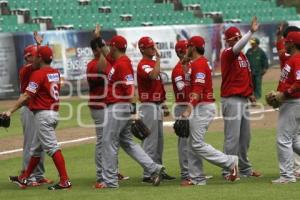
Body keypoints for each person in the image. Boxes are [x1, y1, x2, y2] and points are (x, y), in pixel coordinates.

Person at [94, 35, 166, 189]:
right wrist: (98, 38)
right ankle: (154, 168)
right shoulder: (117, 61)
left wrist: (134, 113)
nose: (108, 49)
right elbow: (105, 51)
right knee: (127, 143)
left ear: (114, 47)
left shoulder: (123, 63)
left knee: (108, 142)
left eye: (110, 46)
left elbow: (131, 89)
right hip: (121, 107)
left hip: (118, 107)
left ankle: (110, 181)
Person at [4, 46, 72, 190]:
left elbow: (27, 95)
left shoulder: (38, 74)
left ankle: (65, 181)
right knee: (35, 149)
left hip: (43, 115)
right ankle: (24, 177)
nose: (34, 58)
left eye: (36, 56)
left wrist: (10, 111)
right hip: (53, 113)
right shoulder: (55, 72)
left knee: (52, 148)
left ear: (40, 58)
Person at [178, 36, 239, 186]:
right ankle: (197, 178)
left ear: (192, 48)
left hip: (203, 106)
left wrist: (188, 109)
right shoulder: (198, 63)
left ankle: (230, 162)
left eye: (188, 47)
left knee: (197, 143)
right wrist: (186, 68)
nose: (186, 50)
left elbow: (198, 90)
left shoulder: (199, 64)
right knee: (193, 143)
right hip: (202, 105)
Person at [220, 16, 261, 179]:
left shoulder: (242, 56)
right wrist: (250, 32)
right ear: (229, 41)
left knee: (245, 137)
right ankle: (227, 170)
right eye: (235, 38)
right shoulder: (228, 53)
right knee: (232, 138)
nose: (238, 39)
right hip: (231, 99)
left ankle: (244, 169)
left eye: (239, 37)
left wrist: (250, 93)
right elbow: (237, 47)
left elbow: (243, 76)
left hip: (242, 99)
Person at [87, 35, 129, 188]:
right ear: (96, 50)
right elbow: (101, 67)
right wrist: (99, 43)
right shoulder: (92, 65)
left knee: (112, 141)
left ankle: (111, 172)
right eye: (102, 48)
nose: (108, 50)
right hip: (99, 107)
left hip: (109, 105)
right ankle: (101, 176)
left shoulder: (111, 62)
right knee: (103, 142)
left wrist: (100, 41)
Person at [137, 36, 175, 182]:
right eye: (151, 47)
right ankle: (148, 173)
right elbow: (153, 76)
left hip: (157, 104)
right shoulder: (143, 65)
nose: (154, 48)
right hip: (148, 106)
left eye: (154, 46)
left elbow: (158, 87)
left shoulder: (152, 63)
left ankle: (158, 169)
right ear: (142, 49)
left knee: (159, 141)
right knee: (150, 141)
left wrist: (164, 104)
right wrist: (158, 59)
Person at [19, 40, 53, 187]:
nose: (38, 57)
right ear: (28, 58)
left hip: (37, 109)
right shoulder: (26, 70)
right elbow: (35, 65)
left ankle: (38, 175)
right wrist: (40, 46)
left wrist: (40, 48)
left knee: (40, 145)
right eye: (35, 55)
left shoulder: (38, 70)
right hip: (28, 109)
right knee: (30, 144)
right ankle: (29, 176)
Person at [271, 31, 300, 184]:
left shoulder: (298, 59)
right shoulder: (293, 58)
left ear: (293, 44)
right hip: (292, 102)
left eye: (287, 42)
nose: (285, 44)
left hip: (293, 103)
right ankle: (288, 174)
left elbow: (299, 82)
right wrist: (278, 94)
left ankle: (287, 176)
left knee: (283, 139)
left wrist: (284, 94)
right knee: (294, 140)